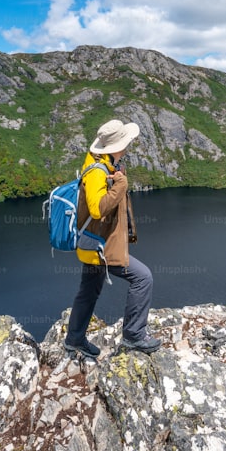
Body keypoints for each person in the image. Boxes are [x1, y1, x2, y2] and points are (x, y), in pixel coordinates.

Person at [64, 119, 161, 357]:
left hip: (92, 243)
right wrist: (121, 185)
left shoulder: (104, 165)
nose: (129, 146)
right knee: (143, 278)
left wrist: (117, 176)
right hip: (101, 248)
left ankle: (74, 340)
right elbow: (97, 209)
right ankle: (134, 336)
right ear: (117, 145)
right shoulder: (98, 171)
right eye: (127, 142)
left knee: (88, 292)